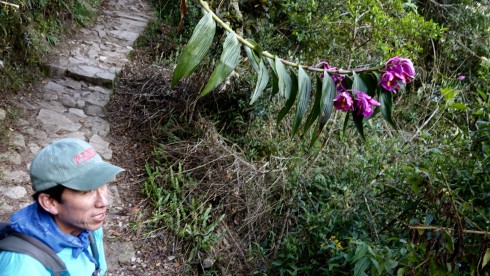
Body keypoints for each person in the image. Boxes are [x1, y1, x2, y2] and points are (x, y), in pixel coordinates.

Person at [0, 138, 124, 275]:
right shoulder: (23, 267)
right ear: (50, 202)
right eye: (87, 191)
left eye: (102, 184)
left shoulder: (89, 226)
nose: (103, 202)